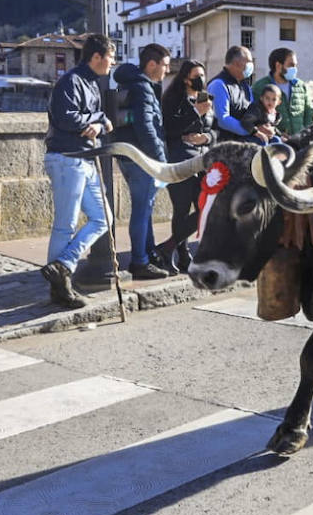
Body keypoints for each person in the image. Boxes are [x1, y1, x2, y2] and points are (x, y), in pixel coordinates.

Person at [41, 33, 114, 309]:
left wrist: (98, 121)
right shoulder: (71, 82)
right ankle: (59, 288)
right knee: (66, 224)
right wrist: (97, 120)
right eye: (111, 57)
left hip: (83, 158)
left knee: (103, 217)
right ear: (97, 57)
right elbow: (66, 118)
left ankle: (62, 265)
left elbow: (100, 118)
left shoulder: (91, 83)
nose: (112, 63)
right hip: (66, 158)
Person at [112, 43, 171, 280]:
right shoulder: (143, 88)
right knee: (142, 209)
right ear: (151, 64)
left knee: (144, 208)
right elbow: (147, 127)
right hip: (140, 158)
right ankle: (140, 261)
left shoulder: (132, 83)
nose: (166, 71)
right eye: (165, 65)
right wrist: (161, 161)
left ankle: (147, 253)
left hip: (130, 155)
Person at [157, 60, 213, 273]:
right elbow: (170, 129)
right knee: (180, 209)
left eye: (203, 75)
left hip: (202, 162)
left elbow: (213, 130)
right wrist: (195, 113)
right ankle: (181, 254)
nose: (200, 80)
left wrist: (205, 138)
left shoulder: (205, 98)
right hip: (180, 161)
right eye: (196, 76)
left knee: (204, 208)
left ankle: (168, 247)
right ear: (185, 78)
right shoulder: (173, 100)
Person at [208, 45, 269, 144]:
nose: (251, 65)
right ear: (236, 63)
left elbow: (253, 111)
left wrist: (263, 127)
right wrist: (251, 131)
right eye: (249, 61)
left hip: (245, 135)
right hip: (225, 141)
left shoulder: (245, 86)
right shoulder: (219, 85)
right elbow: (222, 119)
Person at [252, 47, 313, 138]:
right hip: (274, 143)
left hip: (299, 142)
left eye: (295, 65)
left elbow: (309, 113)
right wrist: (278, 134)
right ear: (278, 66)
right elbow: (256, 116)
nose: (295, 69)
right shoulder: (260, 87)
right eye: (291, 65)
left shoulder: (300, 86)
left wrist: (305, 134)